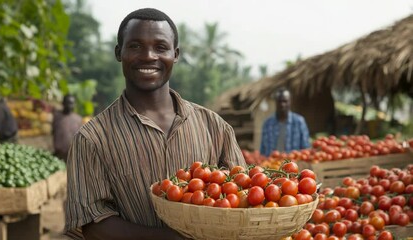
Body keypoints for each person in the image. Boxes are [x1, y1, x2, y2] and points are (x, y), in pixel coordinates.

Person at [64, 8, 246, 240]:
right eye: (135, 46)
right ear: (119, 52)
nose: (149, 56)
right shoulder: (92, 139)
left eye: (160, 47)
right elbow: (92, 225)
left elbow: (243, 199)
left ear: (175, 54)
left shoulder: (215, 127)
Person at [260, 88, 310, 157]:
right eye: (279, 101)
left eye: (285, 101)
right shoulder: (267, 123)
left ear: (290, 102)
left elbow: (306, 149)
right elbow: (262, 151)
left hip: (293, 165)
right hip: (271, 165)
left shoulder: (299, 122)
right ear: (276, 102)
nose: (282, 104)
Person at [52, 94, 82, 161]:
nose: (69, 106)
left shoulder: (78, 119)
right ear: (63, 103)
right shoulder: (56, 116)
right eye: (67, 103)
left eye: (71, 103)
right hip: (58, 155)